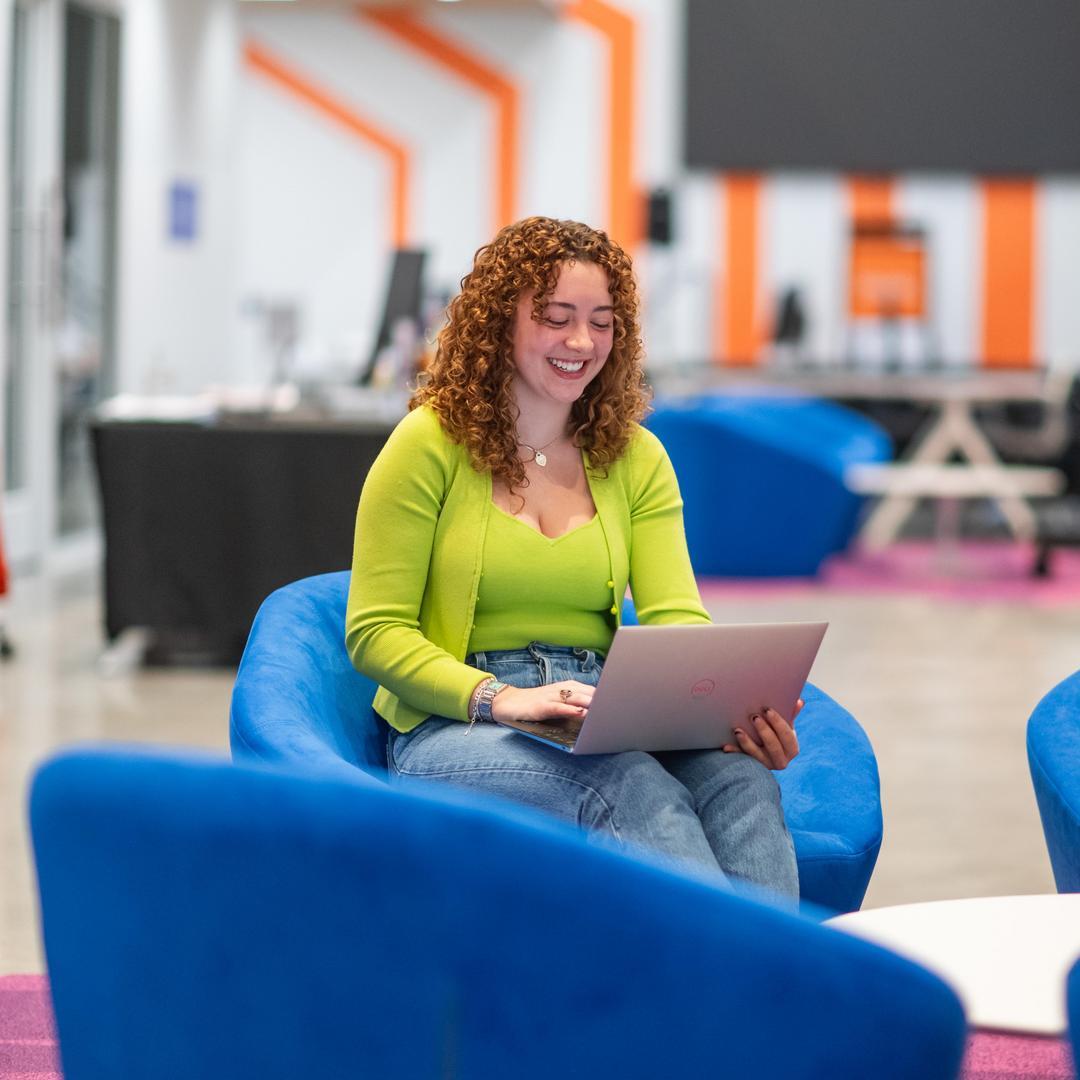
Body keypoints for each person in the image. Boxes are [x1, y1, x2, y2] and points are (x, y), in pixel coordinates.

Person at [346, 216, 801, 900]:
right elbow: (375, 633)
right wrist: (509, 701)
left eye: (602, 322)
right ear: (501, 323)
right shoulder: (426, 444)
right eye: (556, 318)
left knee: (743, 782)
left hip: (602, 703)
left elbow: (677, 615)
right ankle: (720, 995)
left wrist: (726, 712)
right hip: (457, 721)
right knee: (623, 784)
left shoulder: (637, 458)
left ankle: (773, 997)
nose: (582, 342)